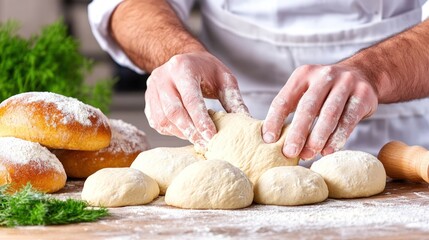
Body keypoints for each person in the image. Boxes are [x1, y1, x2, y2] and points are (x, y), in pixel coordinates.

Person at [88, 0, 429, 160]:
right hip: (228, 145)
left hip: (402, 147)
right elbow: (127, 6)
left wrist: (375, 71)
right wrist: (178, 52)